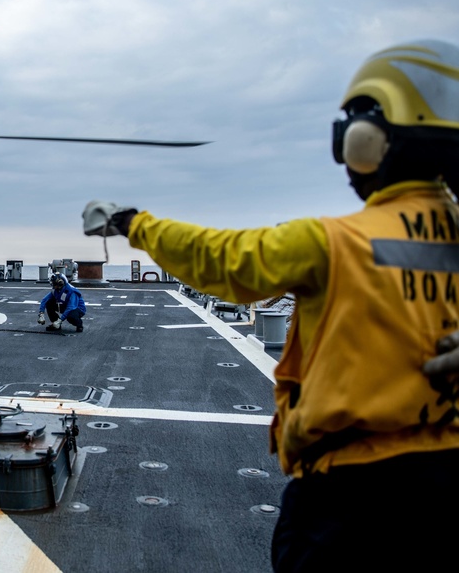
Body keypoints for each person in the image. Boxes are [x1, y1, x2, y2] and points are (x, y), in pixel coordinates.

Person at [82, 39, 459, 571]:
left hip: (353, 500)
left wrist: (131, 223)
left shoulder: (334, 242)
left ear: (366, 141)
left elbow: (225, 260)